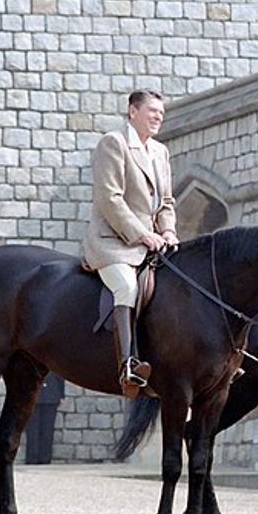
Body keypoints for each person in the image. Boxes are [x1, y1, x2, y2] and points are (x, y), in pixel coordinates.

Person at [81, 89, 178, 397]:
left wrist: (169, 231)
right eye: (152, 111)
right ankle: (128, 365)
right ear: (132, 111)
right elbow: (110, 199)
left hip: (152, 244)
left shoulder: (160, 152)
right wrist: (141, 233)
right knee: (127, 286)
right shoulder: (114, 143)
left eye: (161, 114)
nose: (158, 117)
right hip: (114, 242)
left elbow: (166, 202)